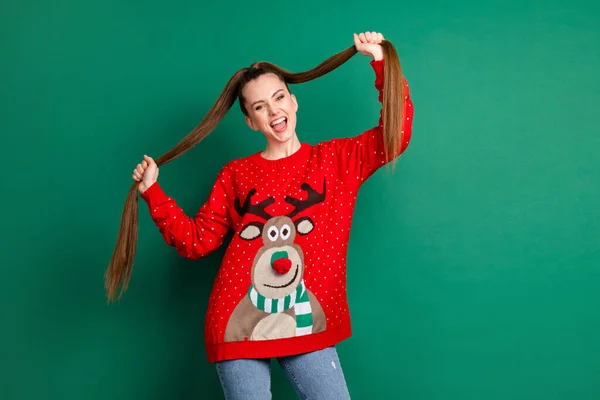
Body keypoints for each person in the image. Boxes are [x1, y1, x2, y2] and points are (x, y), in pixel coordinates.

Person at [110, 31, 414, 399]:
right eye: (259, 107)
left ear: (294, 101)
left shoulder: (337, 161)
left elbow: (394, 135)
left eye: (279, 97)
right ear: (251, 122)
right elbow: (196, 241)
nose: (273, 112)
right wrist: (153, 193)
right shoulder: (235, 175)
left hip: (306, 320)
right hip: (239, 323)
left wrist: (380, 60)